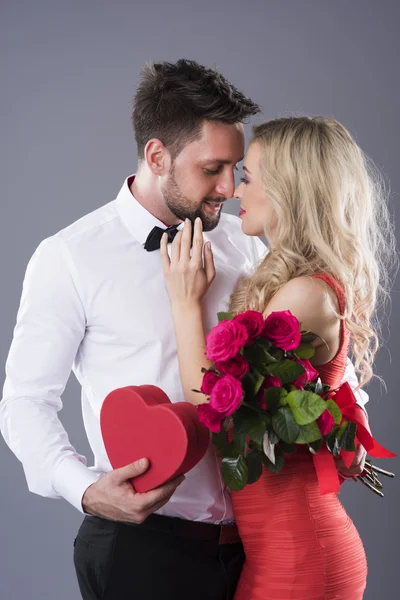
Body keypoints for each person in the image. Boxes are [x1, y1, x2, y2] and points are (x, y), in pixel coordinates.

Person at [0, 60, 367, 600]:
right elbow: (25, 401)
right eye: (212, 169)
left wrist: (351, 414)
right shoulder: (69, 257)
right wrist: (84, 490)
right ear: (157, 156)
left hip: (255, 546)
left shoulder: (245, 241)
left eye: (237, 170)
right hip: (146, 548)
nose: (228, 187)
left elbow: (315, 350)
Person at [161, 115, 395, 599]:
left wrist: (185, 303)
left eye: (247, 177)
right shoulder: (297, 283)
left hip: (300, 555)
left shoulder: (305, 295)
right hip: (279, 548)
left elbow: (214, 403)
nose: (235, 192)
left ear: (289, 191)